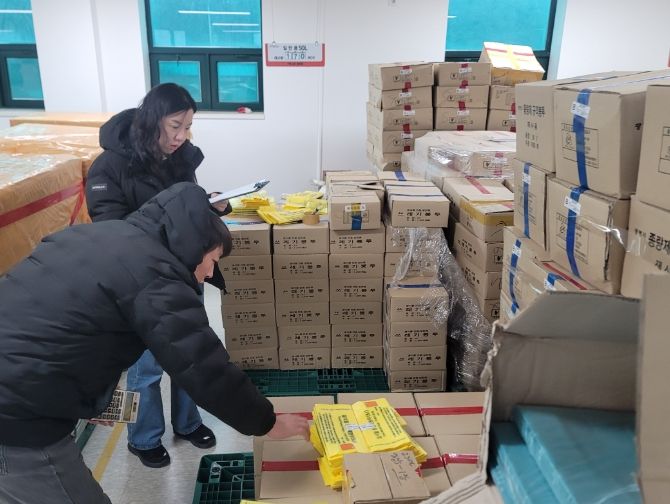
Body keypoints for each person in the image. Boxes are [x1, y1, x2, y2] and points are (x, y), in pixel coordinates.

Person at [0, 183, 309, 504]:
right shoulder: (155, 274)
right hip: (16, 415)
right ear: (197, 244)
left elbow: (62, 326)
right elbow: (203, 365)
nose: (209, 273)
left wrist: (87, 398)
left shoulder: (92, 235)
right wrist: (267, 423)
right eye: (214, 259)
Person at [85, 83, 229, 468]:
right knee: (146, 365)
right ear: (153, 121)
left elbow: (187, 208)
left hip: (185, 272)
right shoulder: (109, 166)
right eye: (175, 126)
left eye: (188, 127)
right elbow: (112, 230)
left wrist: (210, 206)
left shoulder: (179, 159)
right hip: (141, 280)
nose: (182, 136)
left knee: (190, 354)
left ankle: (188, 423)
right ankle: (144, 437)